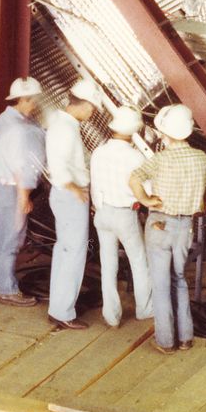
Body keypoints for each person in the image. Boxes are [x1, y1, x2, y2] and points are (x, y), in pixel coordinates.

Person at [131, 103, 206, 352]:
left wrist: (145, 200)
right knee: (179, 279)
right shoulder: (202, 158)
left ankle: (166, 341)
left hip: (159, 224)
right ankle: (186, 338)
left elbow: (133, 178)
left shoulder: (160, 159)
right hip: (185, 228)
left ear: (165, 133)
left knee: (160, 284)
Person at [0, 77, 47, 307]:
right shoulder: (20, 129)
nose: (35, 105)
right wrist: (24, 197)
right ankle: (6, 289)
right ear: (25, 99)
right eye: (33, 100)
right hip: (10, 188)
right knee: (12, 237)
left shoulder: (3, 119)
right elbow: (20, 166)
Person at [43, 79, 102, 331]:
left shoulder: (62, 123)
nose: (92, 114)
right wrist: (75, 188)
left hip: (65, 195)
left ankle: (58, 307)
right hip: (70, 196)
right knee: (74, 253)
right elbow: (58, 165)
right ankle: (63, 312)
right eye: (92, 108)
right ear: (85, 104)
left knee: (66, 251)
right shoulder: (65, 129)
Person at [90, 105, 152, 329]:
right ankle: (144, 309)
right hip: (125, 214)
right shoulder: (135, 157)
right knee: (139, 261)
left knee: (108, 265)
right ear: (134, 131)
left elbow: (94, 185)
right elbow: (147, 190)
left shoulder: (99, 152)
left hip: (102, 213)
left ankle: (112, 315)